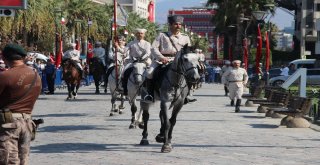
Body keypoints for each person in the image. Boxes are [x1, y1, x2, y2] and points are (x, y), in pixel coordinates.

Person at [0, 44, 41, 164]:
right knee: (23, 160)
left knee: (8, 161)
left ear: (4, 58)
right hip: (27, 123)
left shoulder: (6, 76)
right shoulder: (35, 76)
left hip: (8, 125)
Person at [144, 15, 193, 103]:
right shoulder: (162, 35)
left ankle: (187, 94)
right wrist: (161, 57)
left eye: (179, 24)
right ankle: (150, 95)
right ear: (170, 25)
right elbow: (153, 48)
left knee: (190, 72)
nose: (178, 26)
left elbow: (188, 51)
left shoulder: (185, 37)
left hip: (179, 61)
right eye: (175, 24)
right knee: (149, 73)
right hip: (162, 59)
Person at [119, 28, 152, 95]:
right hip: (133, 61)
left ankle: (151, 91)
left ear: (144, 35)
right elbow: (124, 51)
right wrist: (117, 47)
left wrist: (141, 58)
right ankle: (125, 89)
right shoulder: (131, 43)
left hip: (145, 61)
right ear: (136, 34)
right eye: (138, 33)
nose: (140, 35)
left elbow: (148, 53)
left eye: (141, 33)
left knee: (151, 72)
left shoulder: (147, 43)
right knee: (123, 72)